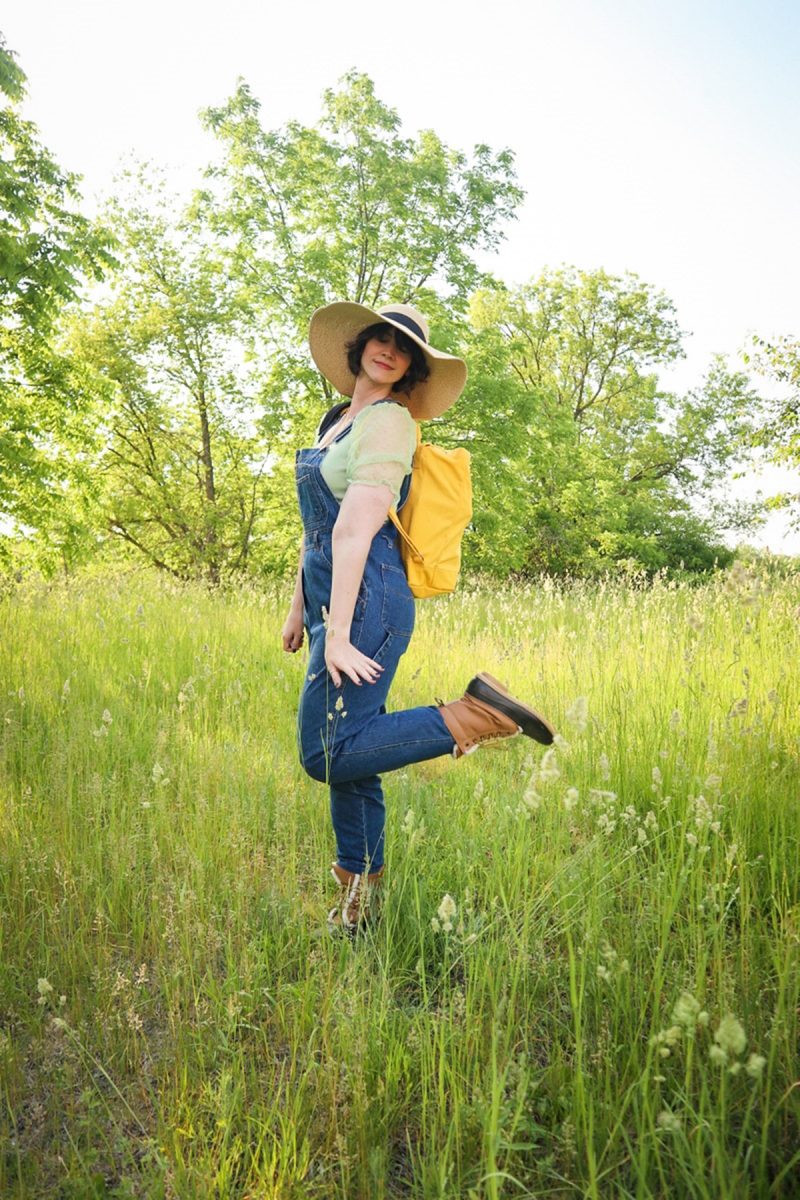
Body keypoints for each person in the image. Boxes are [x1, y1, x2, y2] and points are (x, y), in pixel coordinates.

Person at [282, 301, 554, 932]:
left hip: (367, 596)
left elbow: (353, 531)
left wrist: (339, 634)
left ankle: (474, 715)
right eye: (381, 338)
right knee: (354, 756)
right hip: (332, 596)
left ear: (412, 370)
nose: (390, 350)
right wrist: (301, 610)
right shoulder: (337, 421)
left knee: (326, 753)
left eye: (405, 348)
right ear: (357, 348)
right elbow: (315, 529)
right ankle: (359, 903)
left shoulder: (389, 423)